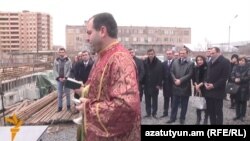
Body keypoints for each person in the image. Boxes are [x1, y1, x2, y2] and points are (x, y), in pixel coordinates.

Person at [75, 12, 140, 141]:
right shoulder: (103, 56)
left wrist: (88, 109)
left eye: (89, 33)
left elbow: (126, 107)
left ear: (102, 31)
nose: (87, 38)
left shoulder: (120, 59)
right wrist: (84, 91)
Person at [204, 47, 230, 125]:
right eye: (210, 53)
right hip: (208, 90)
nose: (211, 55)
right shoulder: (210, 62)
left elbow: (224, 77)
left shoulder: (225, 62)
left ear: (219, 52)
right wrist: (205, 82)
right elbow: (206, 74)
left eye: (213, 53)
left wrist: (214, 85)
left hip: (218, 91)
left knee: (218, 112)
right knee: (211, 111)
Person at [167, 48, 193, 124]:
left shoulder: (190, 63)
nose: (182, 54)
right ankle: (172, 118)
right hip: (176, 86)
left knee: (184, 104)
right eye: (181, 53)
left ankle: (182, 118)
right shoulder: (175, 62)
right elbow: (171, 72)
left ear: (187, 53)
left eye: (184, 53)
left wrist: (180, 80)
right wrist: (175, 79)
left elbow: (190, 74)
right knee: (174, 104)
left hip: (185, 86)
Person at [143, 49, 163, 118]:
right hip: (147, 84)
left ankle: (154, 113)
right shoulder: (145, 62)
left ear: (154, 54)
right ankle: (148, 113)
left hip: (155, 85)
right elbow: (143, 73)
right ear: (147, 54)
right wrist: (143, 83)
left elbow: (161, 75)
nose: (150, 55)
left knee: (155, 100)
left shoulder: (159, 63)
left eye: (152, 54)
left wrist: (159, 84)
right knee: (147, 100)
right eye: (149, 54)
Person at [230, 56, 250, 122]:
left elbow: (248, 76)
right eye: (240, 60)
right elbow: (232, 74)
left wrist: (240, 79)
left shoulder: (248, 67)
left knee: (243, 102)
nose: (241, 62)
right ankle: (237, 115)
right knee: (237, 101)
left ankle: (242, 116)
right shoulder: (235, 67)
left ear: (245, 61)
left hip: (244, 87)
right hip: (236, 86)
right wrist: (234, 79)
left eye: (243, 60)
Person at [53, 48, 72, 112]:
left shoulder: (68, 60)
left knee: (68, 94)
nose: (61, 53)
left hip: (66, 80)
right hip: (59, 80)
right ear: (58, 53)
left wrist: (66, 77)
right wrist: (58, 78)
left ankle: (68, 107)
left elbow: (70, 69)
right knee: (59, 94)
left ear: (65, 52)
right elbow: (54, 70)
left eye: (62, 52)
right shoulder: (56, 60)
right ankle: (60, 108)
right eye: (60, 52)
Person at [192, 55, 209, 125]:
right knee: (197, 104)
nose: (199, 61)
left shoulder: (207, 67)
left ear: (204, 60)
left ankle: (205, 119)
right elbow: (193, 78)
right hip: (196, 88)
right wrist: (196, 85)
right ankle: (198, 119)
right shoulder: (195, 67)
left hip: (204, 88)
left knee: (205, 105)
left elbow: (206, 78)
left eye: (201, 60)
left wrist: (199, 85)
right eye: (198, 60)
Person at [161, 49, 174, 118]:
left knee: (173, 100)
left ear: (172, 54)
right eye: (167, 54)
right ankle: (165, 112)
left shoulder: (176, 63)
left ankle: (172, 113)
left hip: (173, 85)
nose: (168, 55)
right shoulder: (164, 63)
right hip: (165, 85)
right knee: (166, 99)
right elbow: (161, 74)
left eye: (170, 54)